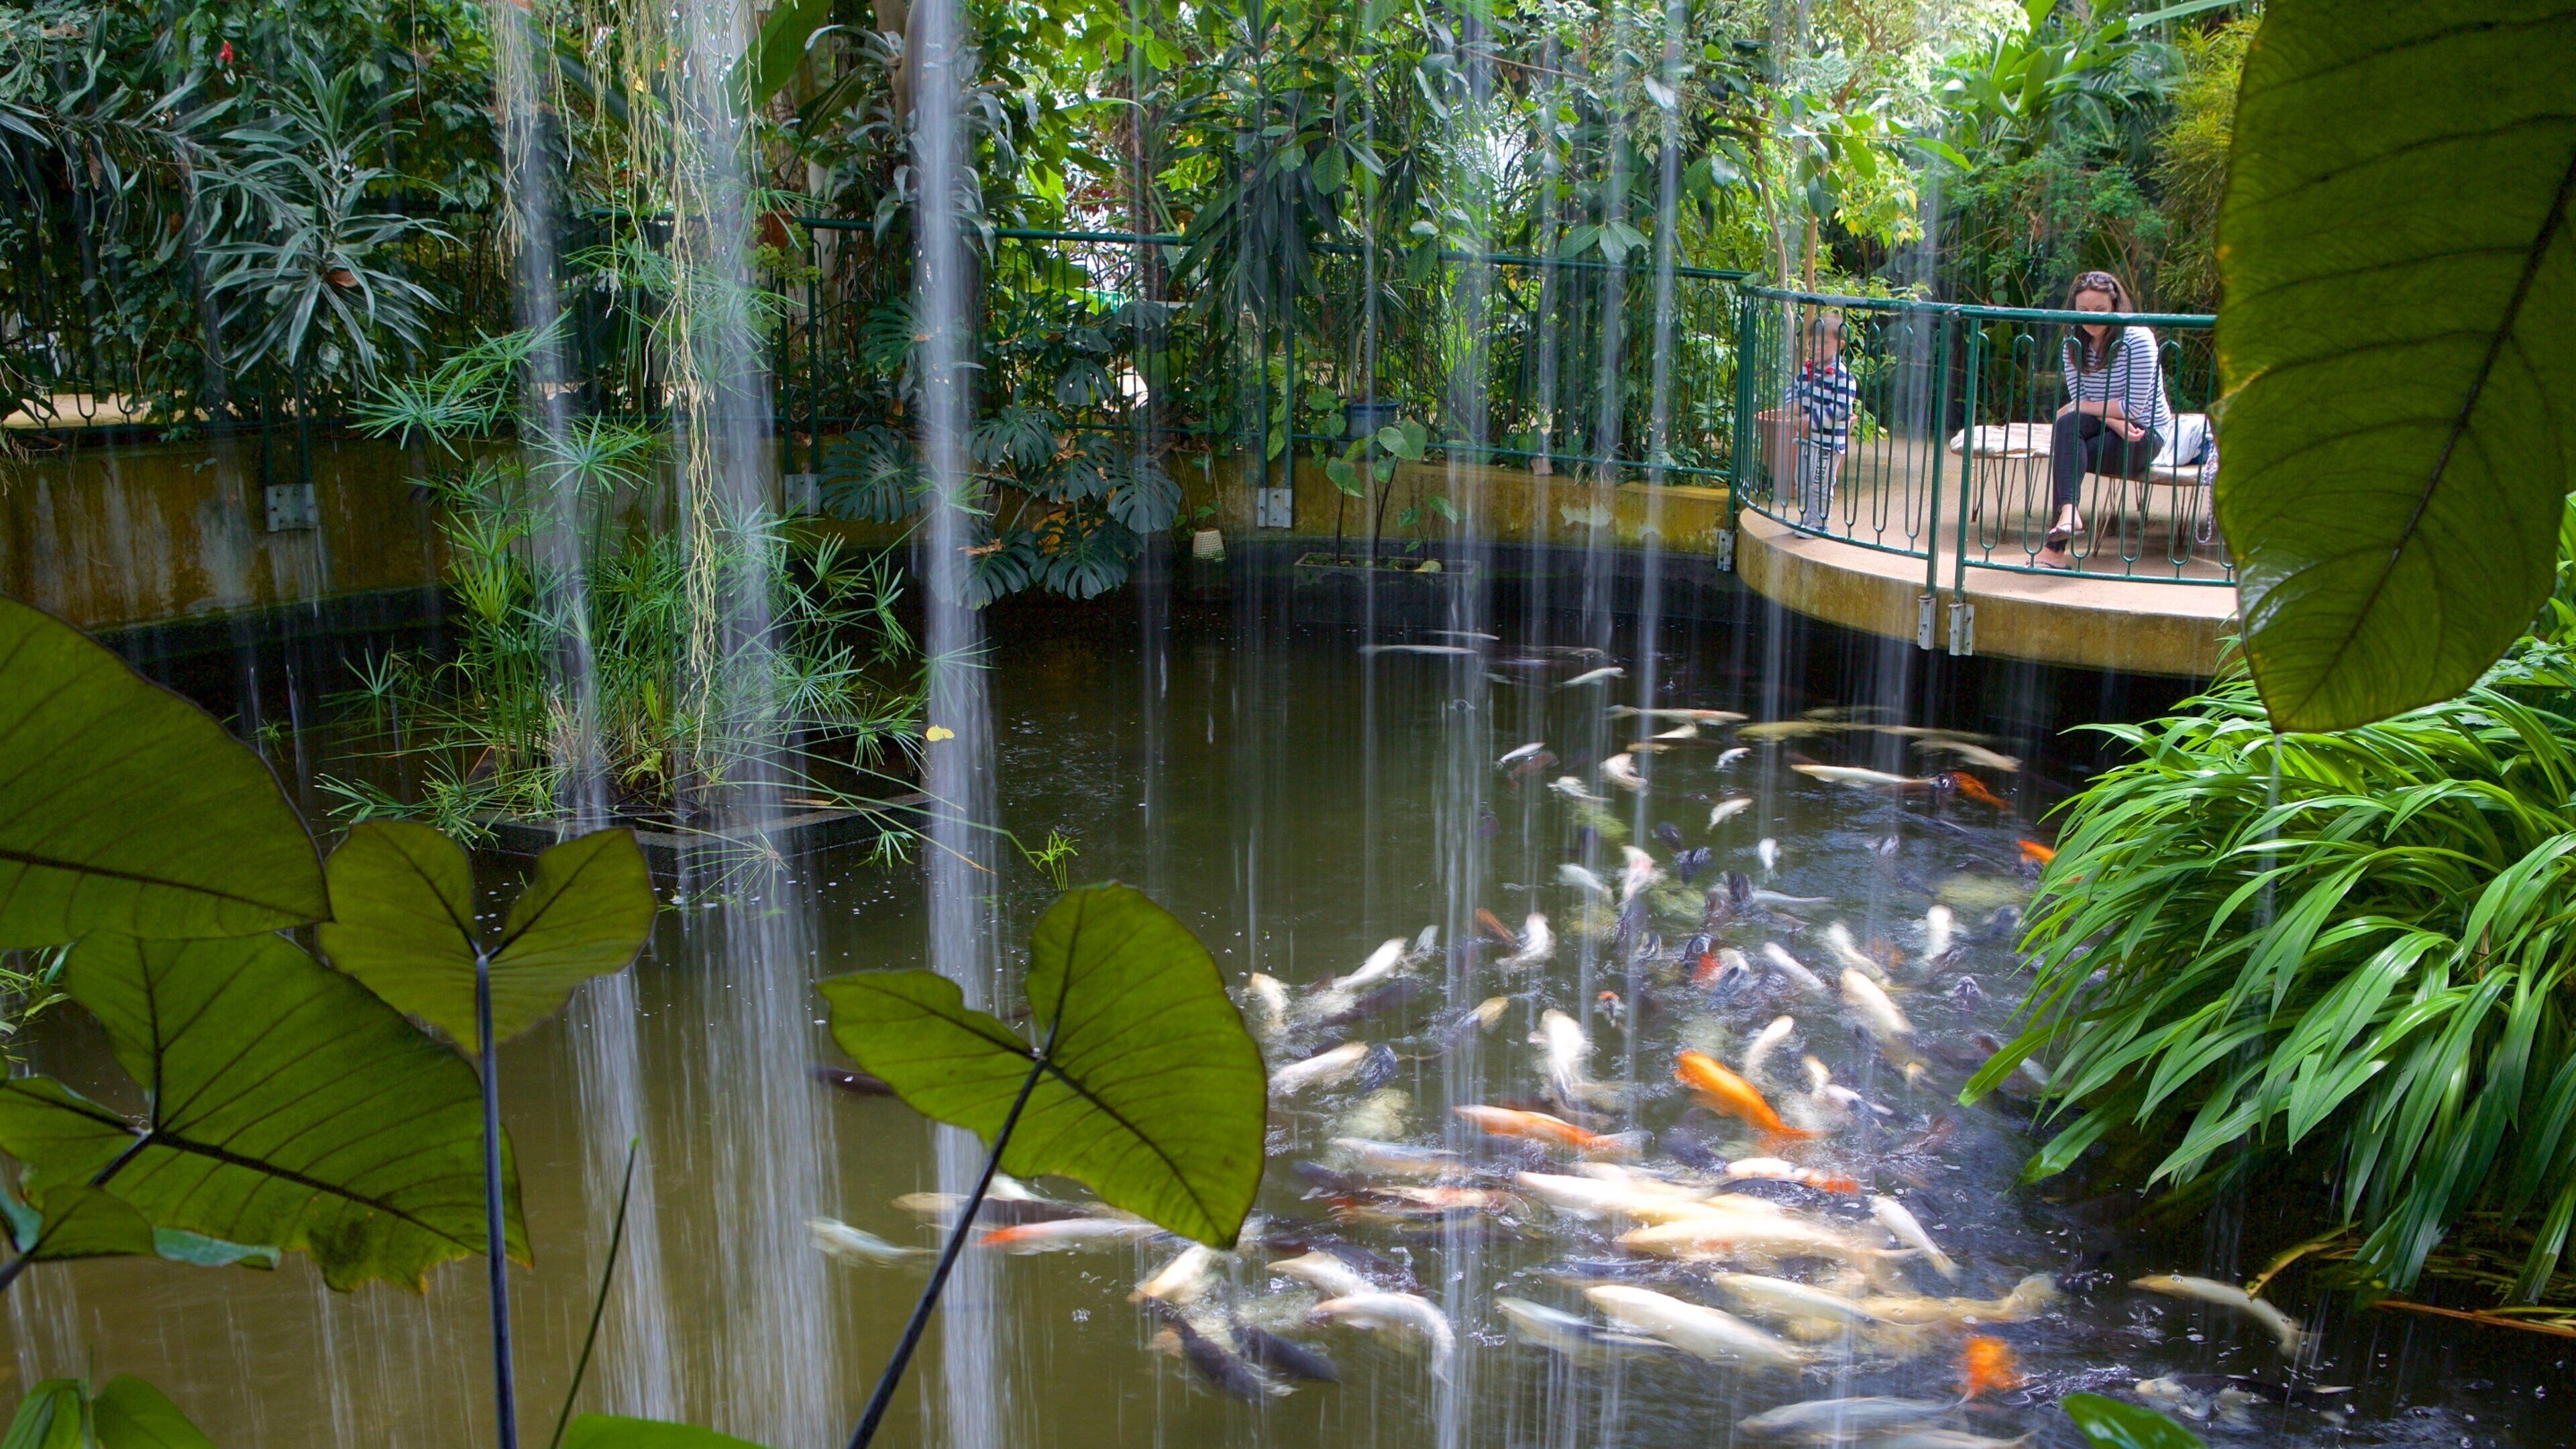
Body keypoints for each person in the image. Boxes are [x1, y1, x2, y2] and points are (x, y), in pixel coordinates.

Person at [2039, 269, 2171, 570]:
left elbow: (2134, 410)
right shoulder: (2072, 344)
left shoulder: (2138, 339)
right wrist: (2113, 420)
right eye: (2083, 310)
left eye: (2101, 310)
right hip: (2110, 426)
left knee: (2068, 442)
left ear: (2115, 308)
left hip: (2145, 435)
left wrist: (2090, 410)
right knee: (2067, 427)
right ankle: (2069, 514)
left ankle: (2054, 549)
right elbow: (2082, 404)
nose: (2092, 318)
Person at [1790, 311, 1859, 532]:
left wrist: (1812, 420)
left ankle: (1819, 524)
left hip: (1828, 445)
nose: (1816, 347)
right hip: (1807, 441)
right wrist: (1793, 404)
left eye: (1824, 343)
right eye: (1813, 342)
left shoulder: (1843, 378)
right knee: (1802, 481)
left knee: (1820, 484)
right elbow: (1793, 390)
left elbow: (1840, 410)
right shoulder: (1808, 372)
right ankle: (1808, 519)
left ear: (1839, 345)